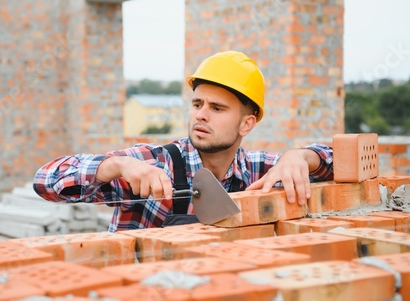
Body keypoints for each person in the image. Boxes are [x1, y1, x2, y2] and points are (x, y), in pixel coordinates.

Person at [33, 51, 333, 232]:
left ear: (247, 123)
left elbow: (343, 162)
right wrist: (116, 166)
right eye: (197, 104)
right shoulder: (153, 163)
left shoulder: (261, 171)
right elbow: (45, 181)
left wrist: (300, 157)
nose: (201, 115)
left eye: (217, 109)